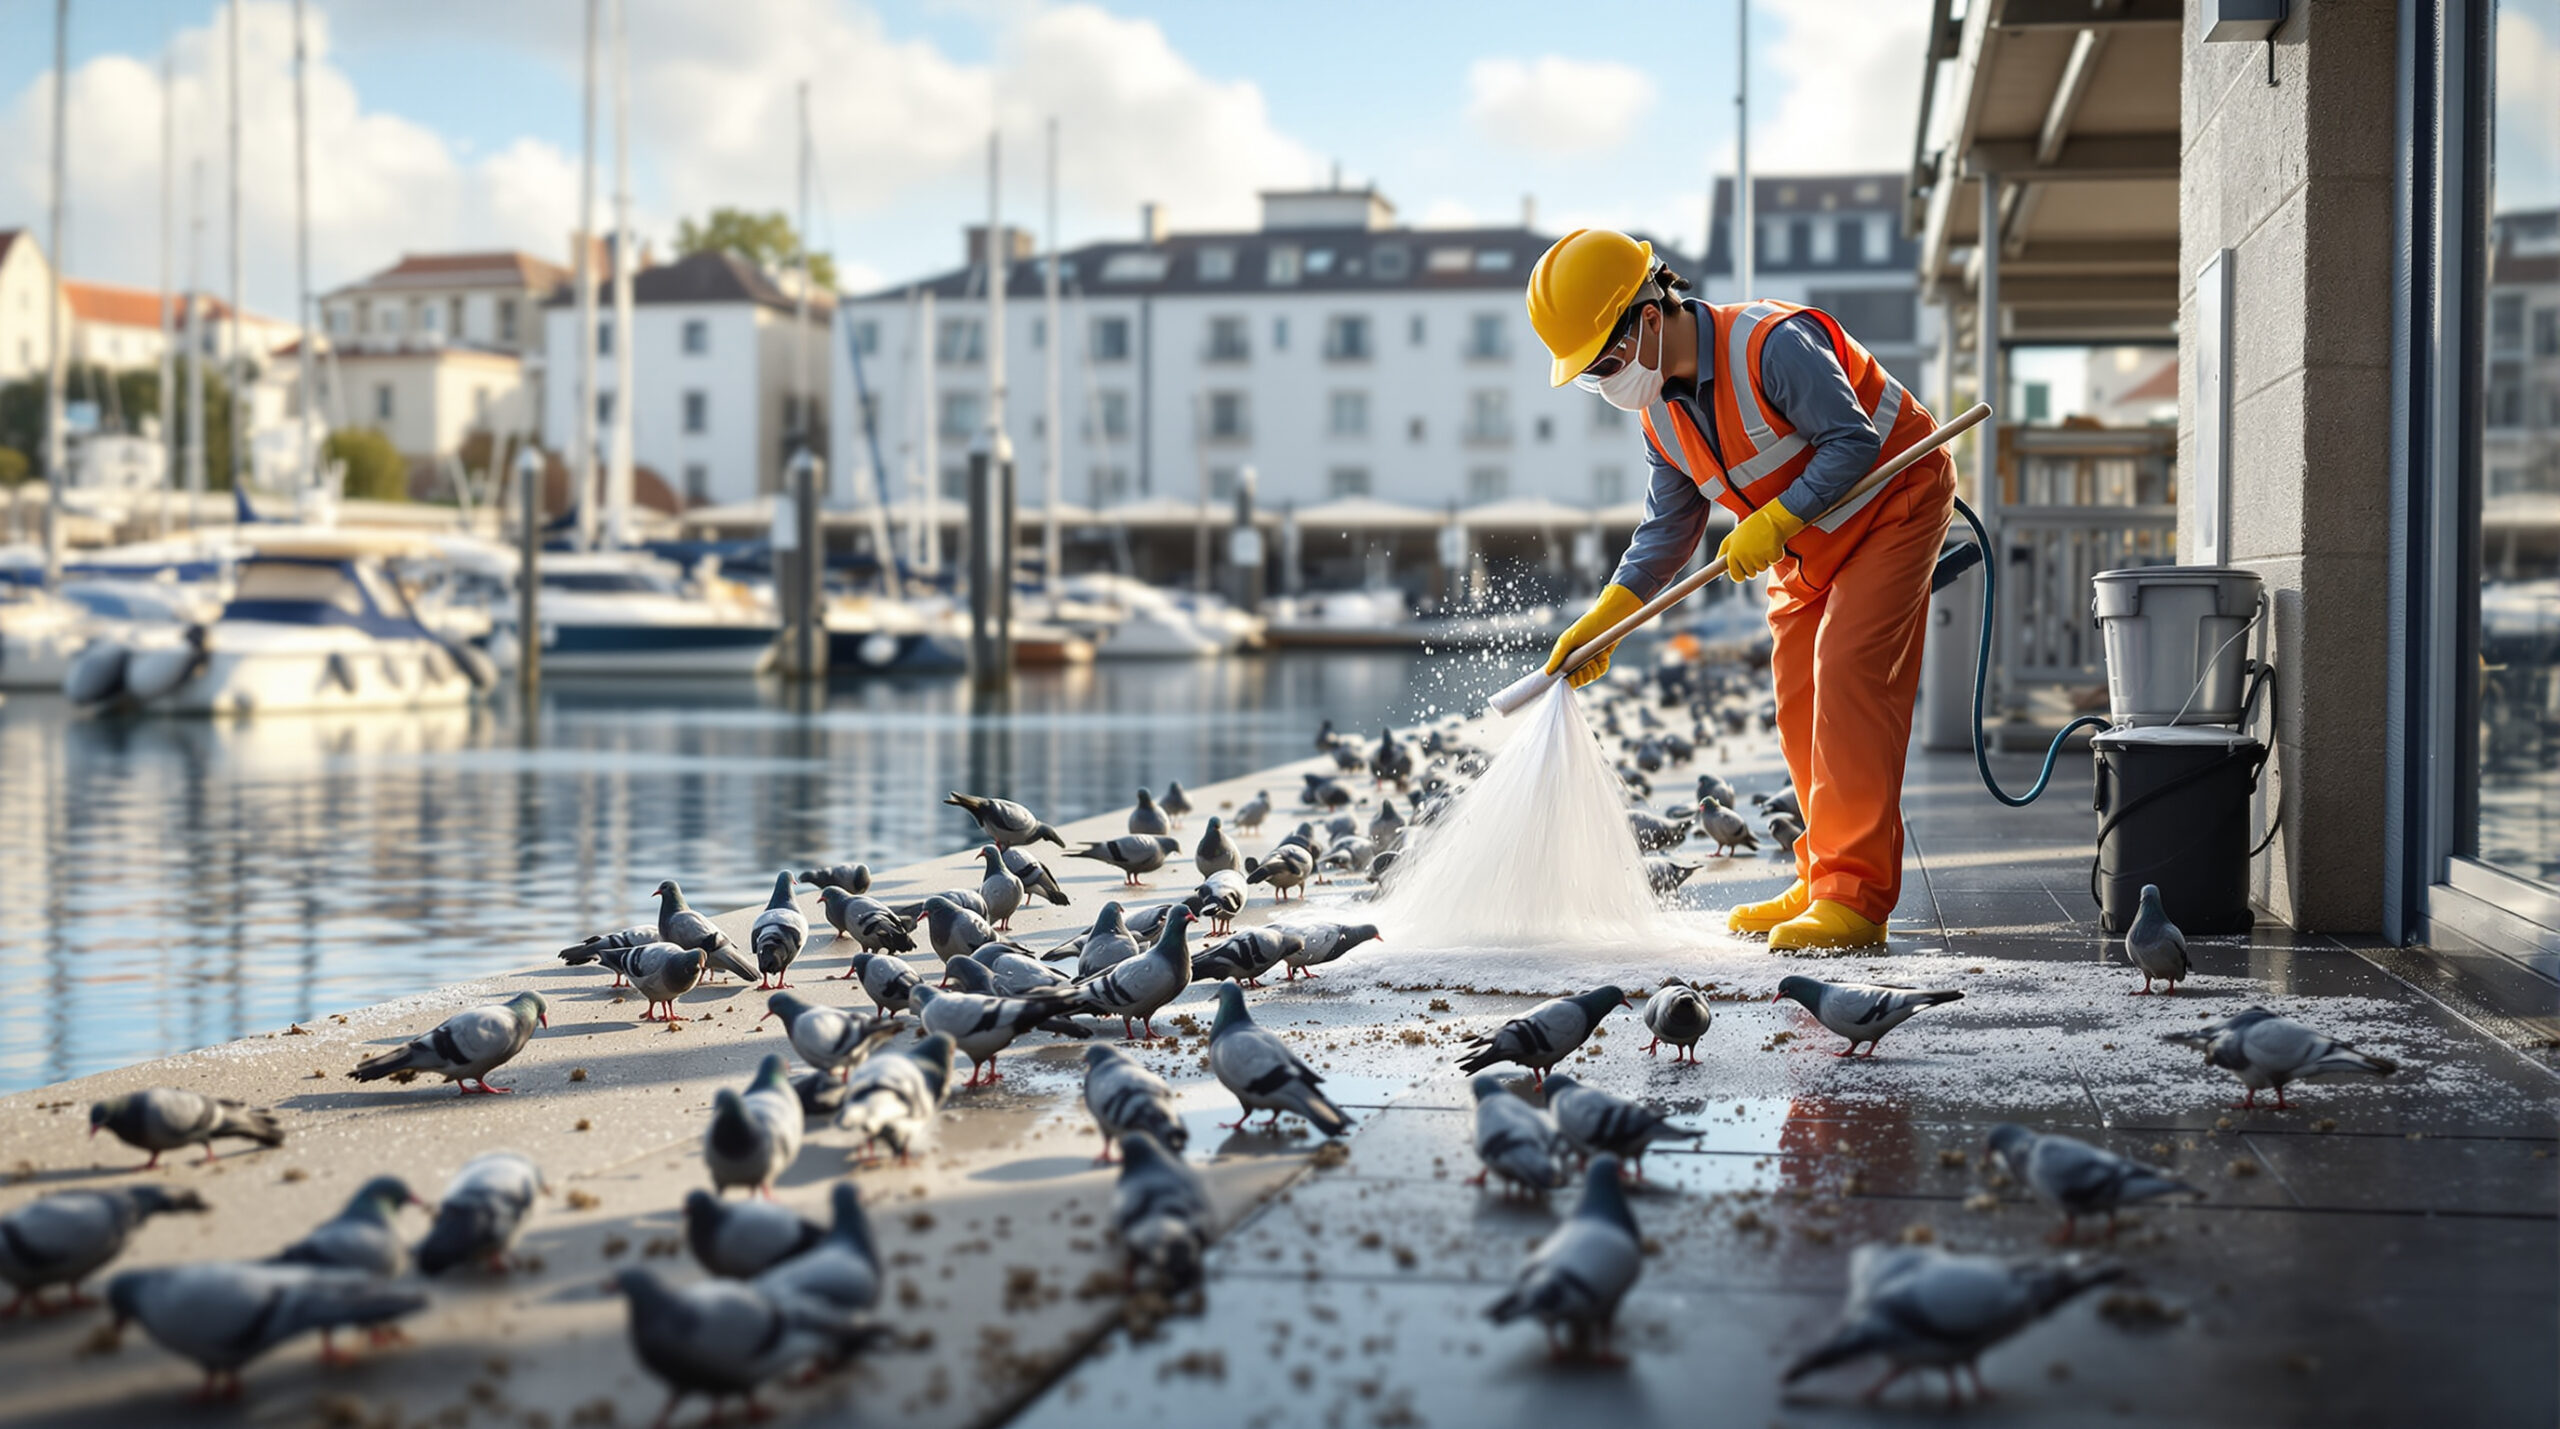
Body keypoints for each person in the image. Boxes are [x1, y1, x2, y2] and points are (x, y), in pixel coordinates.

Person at [1525, 228, 1955, 951]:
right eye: (1590, 372)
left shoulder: (1773, 345)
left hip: (1893, 502)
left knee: (1847, 669)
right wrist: (1610, 617)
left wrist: (1779, 517)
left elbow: (1851, 441)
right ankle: (1821, 872)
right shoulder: (1659, 412)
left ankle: (1854, 897)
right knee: (1795, 691)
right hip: (1804, 540)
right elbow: (1668, 528)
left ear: (1652, 316)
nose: (1603, 382)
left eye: (1604, 360)